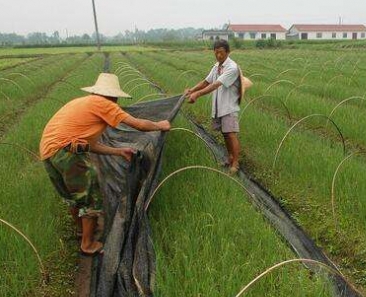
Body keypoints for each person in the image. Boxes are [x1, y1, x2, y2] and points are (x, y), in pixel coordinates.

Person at [40, 73, 171, 255]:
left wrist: (117, 151)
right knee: (91, 195)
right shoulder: (104, 104)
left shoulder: (85, 103)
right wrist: (160, 125)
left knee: (74, 195)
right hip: (66, 152)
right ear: (113, 95)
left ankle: (82, 231)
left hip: (48, 152)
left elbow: (90, 144)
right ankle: (88, 244)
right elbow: (139, 125)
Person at [185, 39, 246, 175]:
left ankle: (235, 163)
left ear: (228, 52)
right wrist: (191, 90)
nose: (219, 55)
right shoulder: (217, 66)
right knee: (225, 134)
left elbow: (215, 84)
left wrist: (197, 94)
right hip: (219, 106)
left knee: (231, 134)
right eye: (216, 53)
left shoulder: (232, 67)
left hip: (229, 107)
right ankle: (229, 157)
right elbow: (206, 81)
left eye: (221, 53)